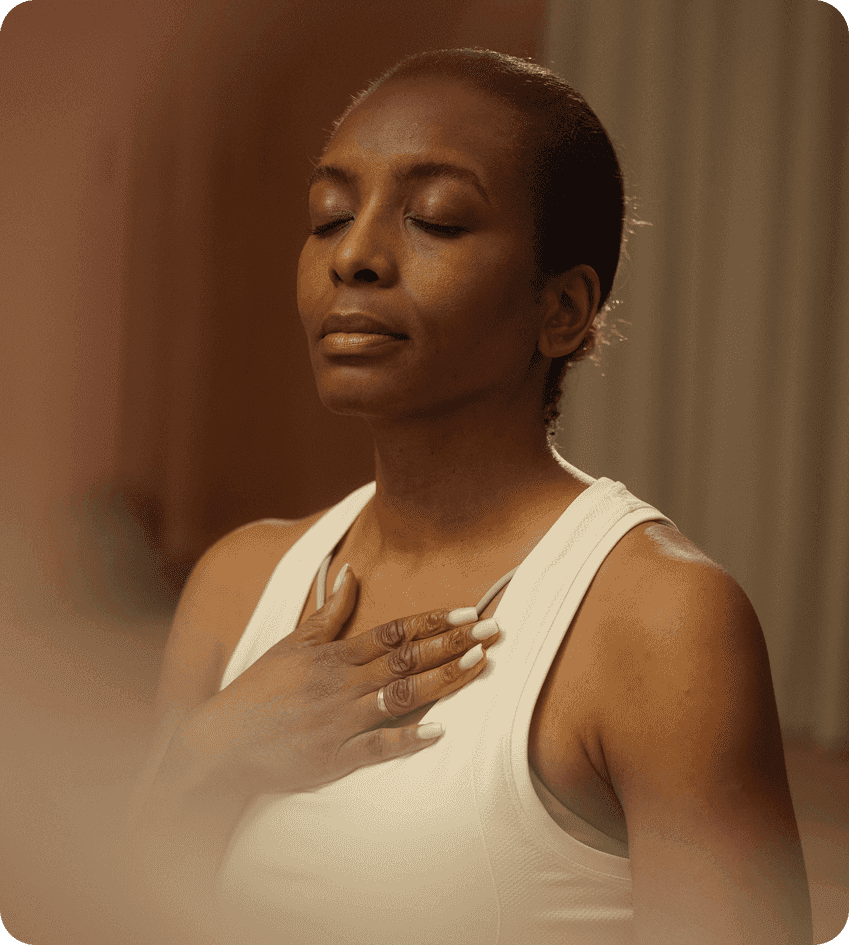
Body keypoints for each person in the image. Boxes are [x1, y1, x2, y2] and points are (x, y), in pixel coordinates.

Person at [127, 48, 813, 945]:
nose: (354, 256)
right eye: (328, 216)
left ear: (561, 310)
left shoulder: (660, 621)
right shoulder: (237, 579)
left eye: (437, 219)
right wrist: (213, 750)